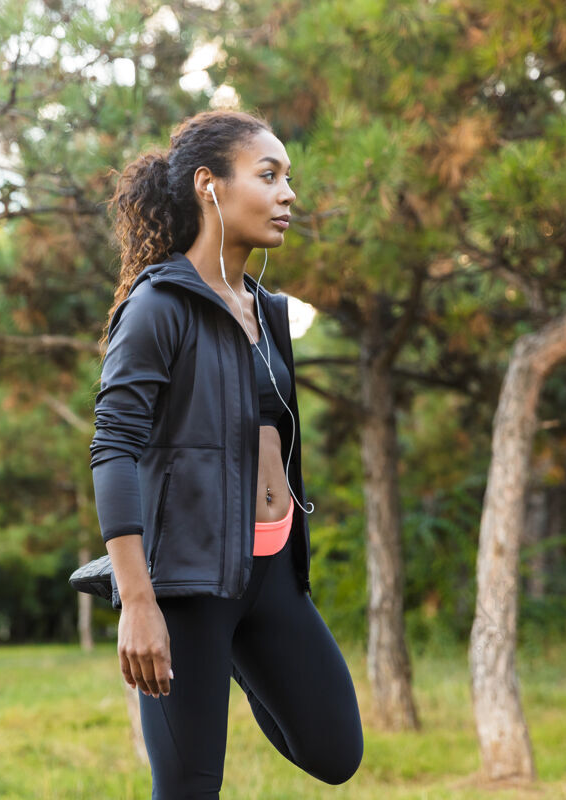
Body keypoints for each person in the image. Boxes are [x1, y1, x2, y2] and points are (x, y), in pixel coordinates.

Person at [89, 109, 363, 798]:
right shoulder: (159, 307)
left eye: (288, 178)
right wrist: (141, 602)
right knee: (189, 789)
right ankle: (123, 580)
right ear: (209, 186)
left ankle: (224, 653)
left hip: (268, 569)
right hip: (184, 583)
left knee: (335, 750)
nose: (288, 194)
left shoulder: (266, 310)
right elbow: (114, 446)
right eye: (268, 176)